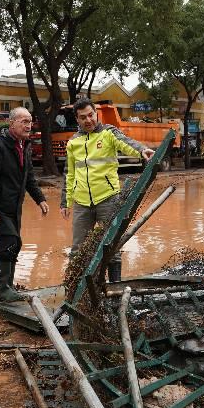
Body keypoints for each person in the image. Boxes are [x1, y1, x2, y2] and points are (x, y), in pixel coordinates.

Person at [59, 99, 154, 283]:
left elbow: (126, 143)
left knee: (111, 245)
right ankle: (75, 289)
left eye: (90, 115)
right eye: (82, 117)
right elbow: (69, 174)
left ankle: (115, 286)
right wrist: (65, 201)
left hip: (108, 199)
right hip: (81, 203)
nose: (88, 120)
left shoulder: (109, 133)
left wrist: (142, 150)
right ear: (77, 120)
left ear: (96, 113)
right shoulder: (73, 142)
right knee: (78, 249)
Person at [0, 107, 49, 302]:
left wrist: (40, 199)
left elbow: (29, 177)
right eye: (24, 121)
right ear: (11, 124)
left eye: (30, 121)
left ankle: (7, 287)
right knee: (10, 242)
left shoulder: (24, 145)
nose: (29, 125)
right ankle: (3, 290)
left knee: (14, 244)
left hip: (13, 208)